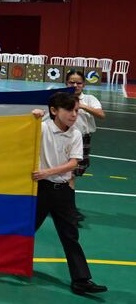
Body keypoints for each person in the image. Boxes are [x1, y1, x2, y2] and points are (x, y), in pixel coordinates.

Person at [31, 93, 107, 296]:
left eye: (76, 110)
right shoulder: (42, 128)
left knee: (70, 235)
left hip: (63, 191)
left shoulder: (75, 133)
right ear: (54, 111)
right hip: (41, 190)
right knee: (27, 229)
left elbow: (74, 163)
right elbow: (21, 134)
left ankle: (81, 280)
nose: (74, 115)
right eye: (69, 110)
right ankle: (7, 263)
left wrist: (47, 172)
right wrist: (33, 117)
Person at [65, 70, 105, 224]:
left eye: (78, 83)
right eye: (71, 82)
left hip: (83, 139)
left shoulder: (89, 99)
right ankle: (69, 209)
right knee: (69, 174)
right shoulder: (61, 99)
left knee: (73, 174)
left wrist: (80, 105)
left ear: (83, 84)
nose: (75, 85)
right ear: (66, 83)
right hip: (64, 139)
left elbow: (101, 115)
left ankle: (66, 207)